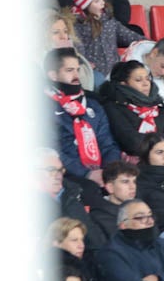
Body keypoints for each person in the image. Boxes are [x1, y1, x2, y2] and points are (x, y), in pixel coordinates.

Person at [46, 47, 121, 204]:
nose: (76, 76)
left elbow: (108, 143)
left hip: (101, 172)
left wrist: (107, 172)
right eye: (69, 70)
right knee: (91, 192)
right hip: (68, 174)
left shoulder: (93, 104)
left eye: (78, 70)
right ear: (53, 75)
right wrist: (86, 174)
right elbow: (52, 151)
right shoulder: (42, 108)